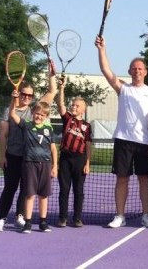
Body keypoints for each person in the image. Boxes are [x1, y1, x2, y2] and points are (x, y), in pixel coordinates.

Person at [96, 36, 148, 228]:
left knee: (145, 180)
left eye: (140, 68)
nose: (137, 71)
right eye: (134, 68)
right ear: (129, 71)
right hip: (123, 140)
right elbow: (106, 71)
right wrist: (102, 49)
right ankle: (120, 216)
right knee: (122, 179)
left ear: (146, 72)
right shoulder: (123, 88)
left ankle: (147, 215)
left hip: (144, 142)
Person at [0, 70, 57, 232]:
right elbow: (3, 135)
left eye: (30, 95)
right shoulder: (9, 111)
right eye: (24, 94)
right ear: (19, 93)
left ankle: (20, 216)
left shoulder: (35, 109)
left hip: (30, 158)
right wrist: (2, 156)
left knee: (26, 189)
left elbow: (52, 91)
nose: (27, 97)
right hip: (13, 155)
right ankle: (1, 218)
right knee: (10, 187)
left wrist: (51, 74)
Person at [8, 90, 58, 233]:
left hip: (46, 164)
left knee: (43, 195)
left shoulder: (49, 128)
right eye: (37, 113)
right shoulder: (27, 125)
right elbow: (12, 114)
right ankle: (28, 222)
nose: (39, 116)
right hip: (30, 163)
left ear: (46, 116)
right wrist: (14, 100)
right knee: (29, 194)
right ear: (33, 113)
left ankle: (43, 222)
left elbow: (53, 148)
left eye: (42, 114)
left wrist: (55, 166)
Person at [55, 75, 93, 228]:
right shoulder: (67, 119)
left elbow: (88, 145)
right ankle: (62, 218)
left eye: (77, 106)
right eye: (73, 105)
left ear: (83, 110)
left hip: (80, 159)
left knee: (79, 190)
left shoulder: (87, 126)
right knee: (64, 189)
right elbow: (60, 104)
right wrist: (62, 87)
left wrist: (88, 162)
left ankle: (77, 218)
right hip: (65, 158)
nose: (73, 107)